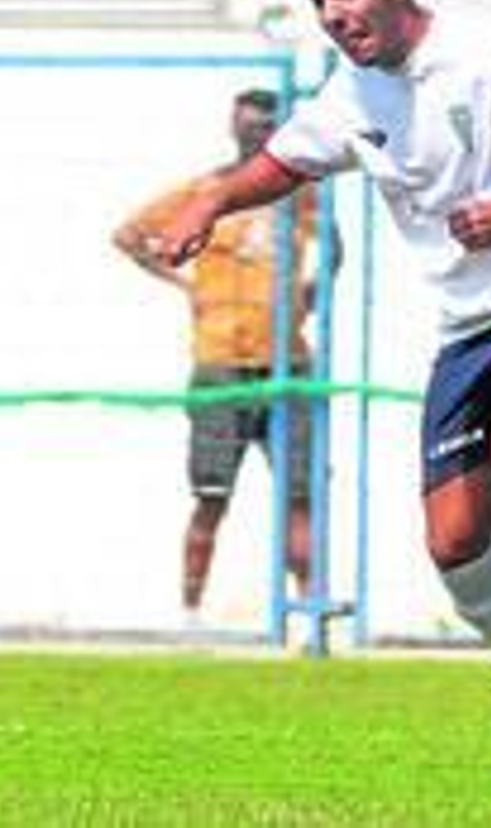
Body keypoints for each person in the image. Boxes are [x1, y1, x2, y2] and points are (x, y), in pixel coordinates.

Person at [144, 0, 491, 785]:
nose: (333, 14)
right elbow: (284, 163)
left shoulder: (487, 58)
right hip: (471, 325)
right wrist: (215, 198)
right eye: (317, 1)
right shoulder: (351, 97)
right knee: (454, 548)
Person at [113, 88, 333, 627]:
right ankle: (191, 612)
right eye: (249, 127)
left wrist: (309, 296)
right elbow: (129, 235)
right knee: (211, 495)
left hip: (287, 365)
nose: (257, 135)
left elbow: (335, 253)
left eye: (267, 127)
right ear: (234, 129)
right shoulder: (205, 190)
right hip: (220, 364)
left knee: (300, 494)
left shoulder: (301, 195)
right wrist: (186, 286)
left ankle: (309, 617)